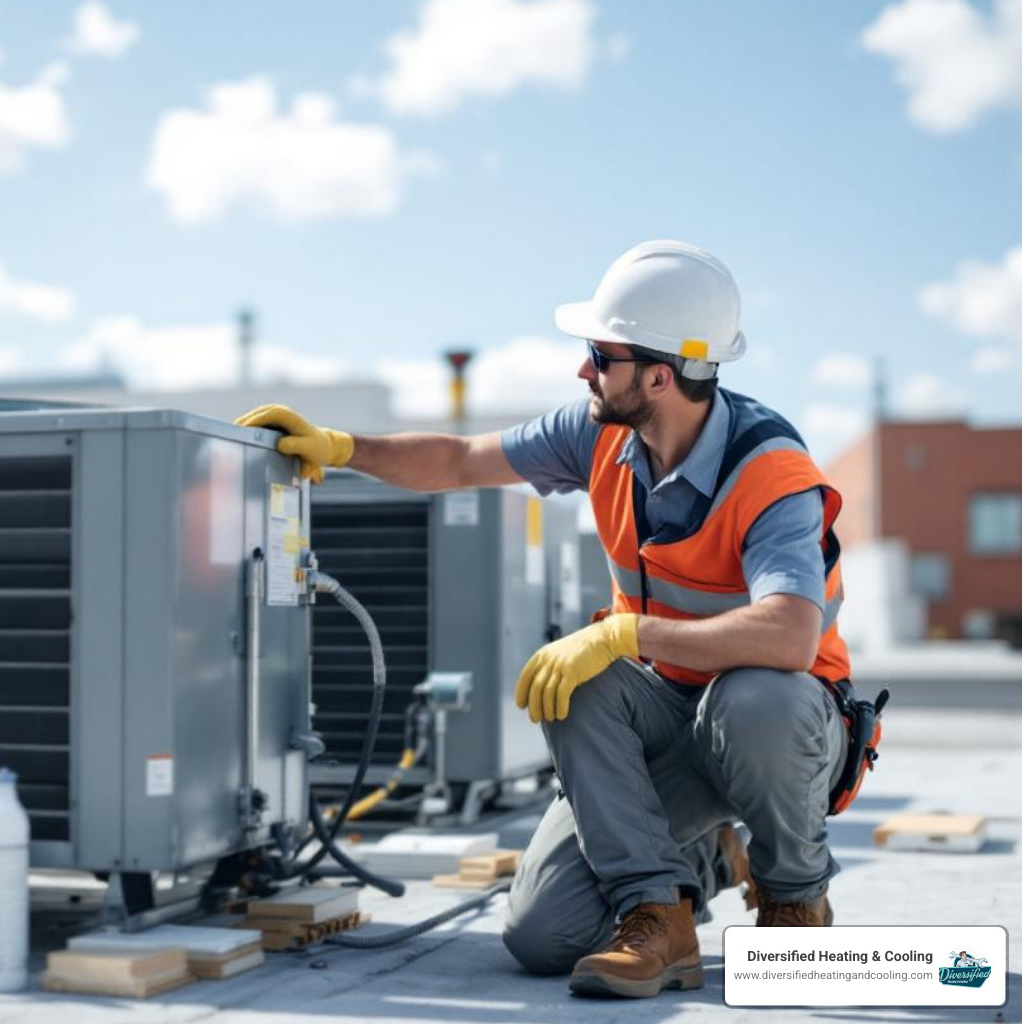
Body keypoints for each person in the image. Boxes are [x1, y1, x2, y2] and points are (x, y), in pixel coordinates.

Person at [237, 240, 852, 999]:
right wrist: (340, 447)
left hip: (776, 734)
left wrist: (626, 634)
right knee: (544, 930)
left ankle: (795, 899)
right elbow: (460, 460)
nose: (584, 371)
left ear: (659, 376)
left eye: (600, 355)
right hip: (669, 721)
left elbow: (790, 635)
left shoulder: (771, 472)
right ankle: (665, 907)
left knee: (756, 696)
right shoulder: (600, 434)